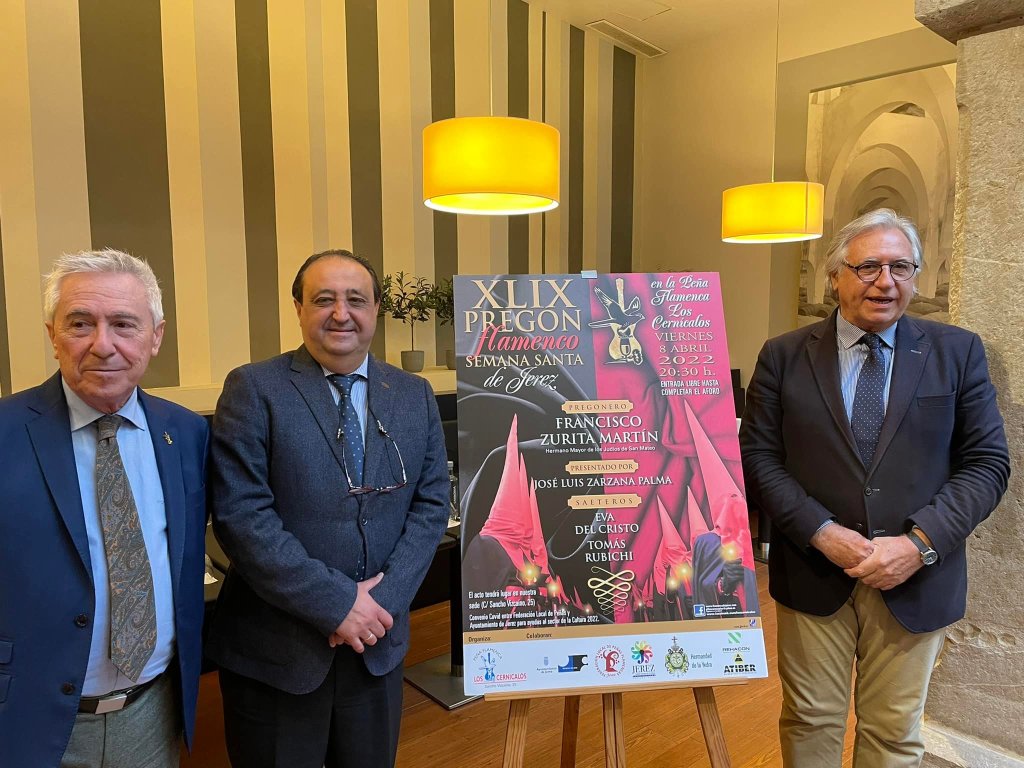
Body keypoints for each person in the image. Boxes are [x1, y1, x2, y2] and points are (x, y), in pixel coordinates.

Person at [740, 209, 1010, 767]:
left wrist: (918, 544)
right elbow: (759, 458)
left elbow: (986, 464)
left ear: (915, 276)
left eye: (900, 267)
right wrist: (821, 531)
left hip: (916, 576)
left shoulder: (957, 352)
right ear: (835, 276)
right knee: (810, 720)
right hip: (815, 569)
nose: (885, 282)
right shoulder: (784, 355)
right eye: (868, 267)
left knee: (894, 732)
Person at [206, 249, 449, 768]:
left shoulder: (414, 394)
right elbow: (242, 517)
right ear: (298, 308)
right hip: (278, 655)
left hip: (377, 647)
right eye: (323, 300)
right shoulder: (254, 389)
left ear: (376, 309)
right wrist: (338, 605)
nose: (341, 314)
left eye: (356, 300)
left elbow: (431, 507)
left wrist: (378, 607)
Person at [0, 249, 210, 768]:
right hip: (27, 717)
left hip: (153, 713)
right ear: (52, 336)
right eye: (80, 323)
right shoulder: (5, 432)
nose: (103, 344)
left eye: (123, 324)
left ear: (155, 336)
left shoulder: (186, 432)